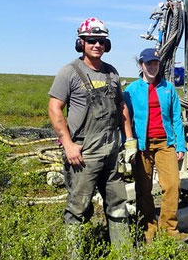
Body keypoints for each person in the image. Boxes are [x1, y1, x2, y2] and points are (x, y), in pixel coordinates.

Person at [48, 17, 133, 256]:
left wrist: (129, 140)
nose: (97, 45)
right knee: (79, 207)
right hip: (83, 153)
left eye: (102, 41)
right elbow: (54, 108)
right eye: (92, 41)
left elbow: (121, 107)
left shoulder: (111, 72)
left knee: (117, 204)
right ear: (81, 43)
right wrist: (68, 145)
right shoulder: (69, 72)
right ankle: (76, 254)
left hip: (110, 150)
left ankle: (124, 252)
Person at [123, 48, 188, 243]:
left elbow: (177, 118)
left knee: (172, 185)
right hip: (142, 145)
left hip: (165, 143)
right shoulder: (131, 91)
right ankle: (148, 228)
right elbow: (126, 119)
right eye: (149, 63)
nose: (152, 67)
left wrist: (180, 145)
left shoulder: (168, 89)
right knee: (143, 189)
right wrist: (128, 144)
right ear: (141, 65)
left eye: (156, 63)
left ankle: (170, 228)